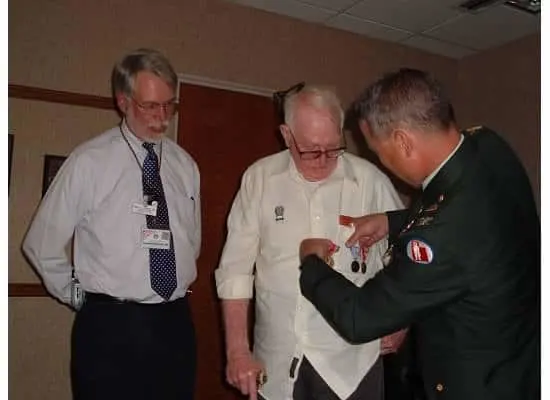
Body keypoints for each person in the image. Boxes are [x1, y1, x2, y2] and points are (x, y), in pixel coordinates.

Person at [298, 68, 540, 400]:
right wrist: (390, 221)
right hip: (523, 361)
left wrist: (311, 263)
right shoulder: (487, 144)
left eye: (378, 152)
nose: (382, 163)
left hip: (477, 384)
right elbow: (456, 204)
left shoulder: (439, 237)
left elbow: (360, 317)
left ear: (402, 141)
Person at [22, 48, 201, 400]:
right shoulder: (90, 161)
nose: (162, 117)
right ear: (123, 101)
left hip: (175, 322)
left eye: (170, 105)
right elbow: (40, 244)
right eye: (151, 106)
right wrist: (82, 299)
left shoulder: (185, 165)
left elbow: (190, 240)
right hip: (111, 326)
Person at [215, 85, 404, 400]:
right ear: (286, 135)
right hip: (276, 361)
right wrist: (237, 351)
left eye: (333, 148)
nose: (324, 160)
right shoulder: (259, 179)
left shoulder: (370, 182)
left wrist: (402, 322)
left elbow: (406, 259)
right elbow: (235, 271)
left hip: (351, 364)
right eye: (311, 150)